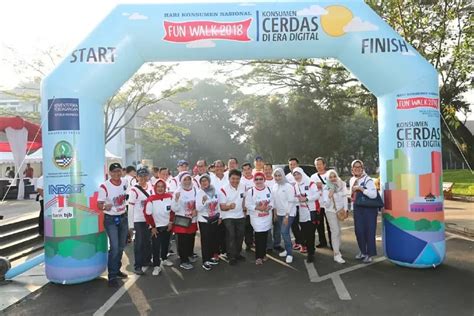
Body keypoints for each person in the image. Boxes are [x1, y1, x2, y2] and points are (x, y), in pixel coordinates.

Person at [98, 163, 129, 286]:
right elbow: (99, 204)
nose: (117, 173)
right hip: (110, 219)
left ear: (122, 171)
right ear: (110, 173)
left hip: (123, 218)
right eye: (114, 171)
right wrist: (105, 206)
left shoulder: (125, 182)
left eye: (119, 171)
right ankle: (112, 276)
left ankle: (117, 270)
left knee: (121, 246)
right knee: (115, 247)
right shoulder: (104, 186)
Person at [350, 160, 378, 264]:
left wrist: (361, 189)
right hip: (357, 209)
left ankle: (369, 254)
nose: (357, 169)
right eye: (355, 167)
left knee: (369, 232)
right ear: (352, 169)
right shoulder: (352, 179)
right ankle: (363, 251)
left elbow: (373, 195)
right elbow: (352, 195)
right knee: (359, 232)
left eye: (359, 167)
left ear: (362, 168)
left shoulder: (368, 179)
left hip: (368, 210)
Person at [144, 179, 174, 276]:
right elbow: (147, 214)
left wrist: (170, 222)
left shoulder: (170, 197)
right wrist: (152, 227)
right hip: (156, 227)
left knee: (166, 244)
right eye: (158, 186)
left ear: (165, 188)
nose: (160, 188)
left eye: (162, 186)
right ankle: (156, 265)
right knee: (156, 246)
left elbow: (172, 211)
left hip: (167, 225)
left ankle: (164, 259)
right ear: (155, 188)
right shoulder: (151, 199)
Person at [128, 168, 154, 275]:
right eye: (140, 176)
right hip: (138, 220)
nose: (143, 178)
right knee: (139, 243)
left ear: (147, 176)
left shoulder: (151, 188)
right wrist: (130, 225)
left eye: (145, 176)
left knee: (148, 241)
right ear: (137, 177)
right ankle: (137, 266)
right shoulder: (134, 190)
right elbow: (130, 208)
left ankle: (146, 260)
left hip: (148, 220)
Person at [218, 169, 246, 265]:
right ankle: (231, 256)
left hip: (240, 215)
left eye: (237, 179)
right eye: (233, 178)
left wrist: (244, 209)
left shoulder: (243, 186)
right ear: (229, 178)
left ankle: (237, 253)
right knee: (231, 235)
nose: (235, 181)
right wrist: (229, 206)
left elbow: (244, 199)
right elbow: (222, 207)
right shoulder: (223, 189)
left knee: (240, 235)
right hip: (228, 216)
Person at [171, 172, 198, 270]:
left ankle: (189, 254)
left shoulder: (195, 189)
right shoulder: (178, 191)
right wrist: (177, 199)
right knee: (183, 240)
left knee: (191, 238)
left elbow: (199, 202)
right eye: (184, 180)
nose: (187, 182)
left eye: (188, 179)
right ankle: (183, 260)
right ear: (181, 181)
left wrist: (196, 209)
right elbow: (174, 208)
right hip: (182, 220)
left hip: (193, 220)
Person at [245, 172, 273, 265]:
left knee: (265, 236)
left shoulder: (269, 189)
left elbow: (272, 202)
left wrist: (268, 207)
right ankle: (258, 257)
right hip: (256, 218)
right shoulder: (250, 191)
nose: (259, 181)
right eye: (256, 179)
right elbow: (247, 204)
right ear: (254, 181)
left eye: (261, 179)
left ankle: (263, 254)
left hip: (267, 217)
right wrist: (258, 208)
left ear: (264, 180)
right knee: (258, 236)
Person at [293, 167, 320, 263]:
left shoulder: (310, 183)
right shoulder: (295, 185)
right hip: (302, 212)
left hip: (312, 211)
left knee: (310, 233)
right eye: (294, 175)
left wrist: (307, 199)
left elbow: (317, 195)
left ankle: (311, 253)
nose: (296, 176)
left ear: (302, 174)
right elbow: (296, 198)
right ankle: (309, 248)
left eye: (298, 174)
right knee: (304, 233)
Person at [322, 170, 348, 264]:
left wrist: (346, 209)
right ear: (328, 179)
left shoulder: (341, 185)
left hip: (340, 211)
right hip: (330, 211)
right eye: (330, 177)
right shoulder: (326, 188)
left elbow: (345, 197)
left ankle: (337, 250)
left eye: (334, 176)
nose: (333, 179)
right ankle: (336, 254)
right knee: (335, 231)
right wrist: (330, 195)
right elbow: (326, 205)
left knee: (339, 231)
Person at [272, 168, 297, 264]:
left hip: (289, 213)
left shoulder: (288, 186)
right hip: (279, 213)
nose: (278, 178)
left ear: (283, 176)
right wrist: (275, 213)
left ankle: (290, 253)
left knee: (284, 232)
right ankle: (287, 249)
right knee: (284, 232)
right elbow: (274, 201)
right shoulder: (274, 186)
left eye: (279, 175)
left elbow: (291, 202)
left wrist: (287, 216)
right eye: (276, 176)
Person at [196, 174, 220, 271]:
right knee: (205, 241)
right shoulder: (199, 193)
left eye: (206, 181)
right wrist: (203, 201)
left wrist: (220, 216)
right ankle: (205, 260)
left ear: (209, 182)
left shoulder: (214, 190)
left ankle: (210, 258)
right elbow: (198, 208)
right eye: (202, 181)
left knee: (212, 239)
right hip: (204, 220)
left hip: (214, 218)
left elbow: (218, 204)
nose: (204, 183)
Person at [310, 157, 332, 249]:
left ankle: (332, 243)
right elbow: (310, 189)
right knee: (319, 225)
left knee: (330, 224)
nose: (318, 166)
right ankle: (322, 241)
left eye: (320, 164)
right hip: (318, 204)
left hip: (329, 204)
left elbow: (335, 186)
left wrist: (322, 185)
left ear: (324, 165)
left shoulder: (330, 174)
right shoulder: (313, 177)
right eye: (316, 165)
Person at [210, 160, 229, 258]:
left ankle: (225, 251)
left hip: (227, 210)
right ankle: (215, 252)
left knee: (226, 233)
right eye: (216, 166)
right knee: (215, 233)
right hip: (215, 211)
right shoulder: (211, 180)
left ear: (224, 167)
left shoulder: (228, 178)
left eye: (220, 166)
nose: (218, 168)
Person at [286, 158, 304, 251]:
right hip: (292, 205)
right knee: (294, 225)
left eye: (294, 164)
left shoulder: (303, 175)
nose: (292, 166)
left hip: (303, 205)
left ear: (298, 165)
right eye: (290, 165)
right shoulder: (287, 177)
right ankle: (298, 241)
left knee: (303, 224)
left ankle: (304, 243)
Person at [263, 163, 281, 252]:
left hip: (277, 207)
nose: (267, 171)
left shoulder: (276, 180)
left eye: (269, 169)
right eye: (265, 169)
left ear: (272, 170)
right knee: (267, 227)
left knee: (277, 227)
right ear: (263, 171)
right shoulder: (261, 181)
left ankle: (277, 244)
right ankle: (268, 245)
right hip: (267, 208)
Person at [240, 162, 254, 250]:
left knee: (255, 226)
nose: (247, 171)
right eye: (244, 170)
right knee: (247, 227)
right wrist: (243, 207)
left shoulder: (257, 178)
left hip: (256, 207)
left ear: (251, 169)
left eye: (248, 169)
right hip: (245, 208)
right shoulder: (241, 181)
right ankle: (249, 244)